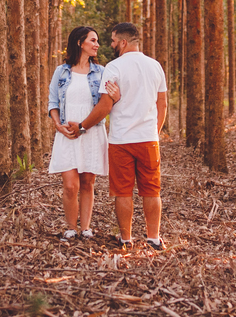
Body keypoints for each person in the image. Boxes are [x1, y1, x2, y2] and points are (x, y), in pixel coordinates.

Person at [70, 22, 167, 251]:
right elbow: (161, 103)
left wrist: (82, 126)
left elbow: (105, 105)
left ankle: (126, 239)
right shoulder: (155, 66)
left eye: (113, 41)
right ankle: (153, 238)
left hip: (121, 141)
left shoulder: (113, 68)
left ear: (123, 42)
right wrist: (155, 131)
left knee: (123, 191)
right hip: (148, 139)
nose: (111, 45)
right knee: (152, 190)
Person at [46, 26, 109, 240]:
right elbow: (53, 102)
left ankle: (86, 228)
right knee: (70, 185)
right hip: (67, 133)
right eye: (93, 40)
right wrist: (58, 124)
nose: (97, 44)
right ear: (80, 42)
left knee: (87, 183)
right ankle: (71, 227)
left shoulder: (101, 72)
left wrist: (85, 125)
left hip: (91, 132)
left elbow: (106, 103)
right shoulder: (61, 71)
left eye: (97, 40)